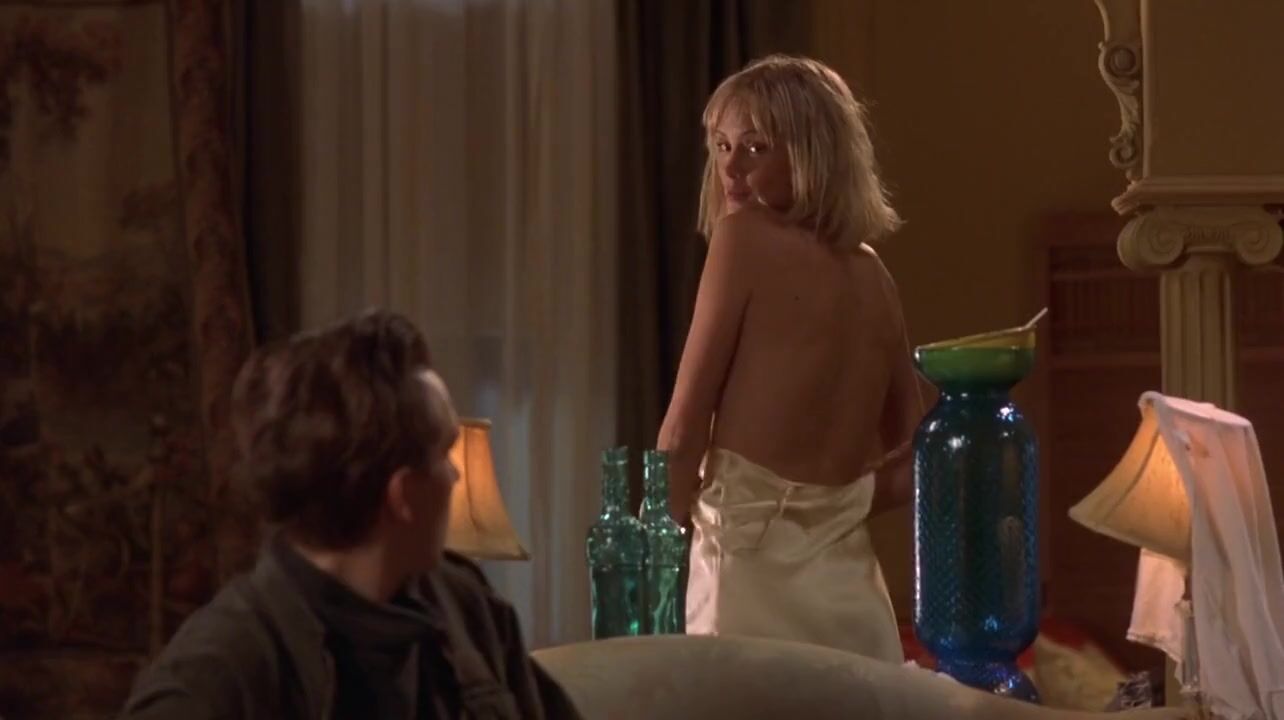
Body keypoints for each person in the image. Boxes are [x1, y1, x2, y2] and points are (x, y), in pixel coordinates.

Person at [121, 310, 580, 719]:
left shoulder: (469, 610)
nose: (455, 477)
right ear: (402, 494)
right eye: (445, 455)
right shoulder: (219, 676)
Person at [657, 55, 923, 663]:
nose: (730, 167)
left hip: (744, 569)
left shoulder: (741, 239)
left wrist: (657, 556)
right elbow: (918, 453)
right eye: (722, 145)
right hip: (848, 585)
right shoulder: (874, 274)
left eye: (755, 147)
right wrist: (837, 507)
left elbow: (683, 430)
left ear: (812, 153)